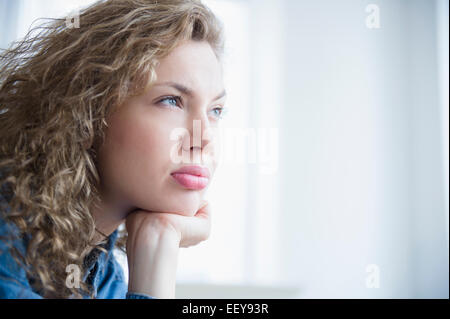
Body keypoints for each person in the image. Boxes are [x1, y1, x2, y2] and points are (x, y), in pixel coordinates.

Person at [0, 0, 227, 299]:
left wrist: (159, 239)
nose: (204, 137)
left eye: (216, 110)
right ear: (87, 113)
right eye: (171, 101)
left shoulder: (106, 278)